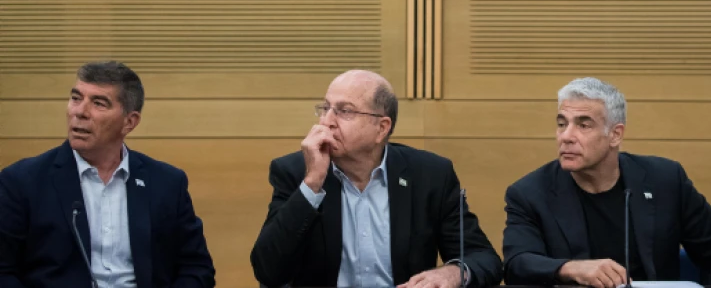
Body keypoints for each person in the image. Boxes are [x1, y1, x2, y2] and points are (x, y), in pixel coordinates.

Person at [250, 69, 502, 288]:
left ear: (381, 128)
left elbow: (483, 257)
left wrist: (453, 272)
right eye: (325, 108)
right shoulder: (296, 171)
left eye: (344, 111)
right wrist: (313, 183)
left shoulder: (430, 175)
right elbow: (268, 270)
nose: (327, 122)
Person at [503, 77, 711, 288]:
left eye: (583, 125)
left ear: (615, 135)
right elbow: (517, 264)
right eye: (562, 124)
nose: (566, 136)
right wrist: (571, 268)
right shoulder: (529, 193)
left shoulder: (665, 180)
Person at [0, 61, 215, 287]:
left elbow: (196, 268)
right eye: (76, 98)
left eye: (98, 103)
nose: (80, 112)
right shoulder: (22, 181)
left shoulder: (166, 183)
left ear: (129, 122)